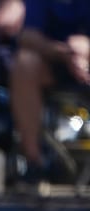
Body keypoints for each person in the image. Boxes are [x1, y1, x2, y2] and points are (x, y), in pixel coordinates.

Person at [9, 0, 90, 185]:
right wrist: (65, 52)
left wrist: (85, 49)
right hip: (52, 61)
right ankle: (35, 163)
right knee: (25, 63)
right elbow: (27, 36)